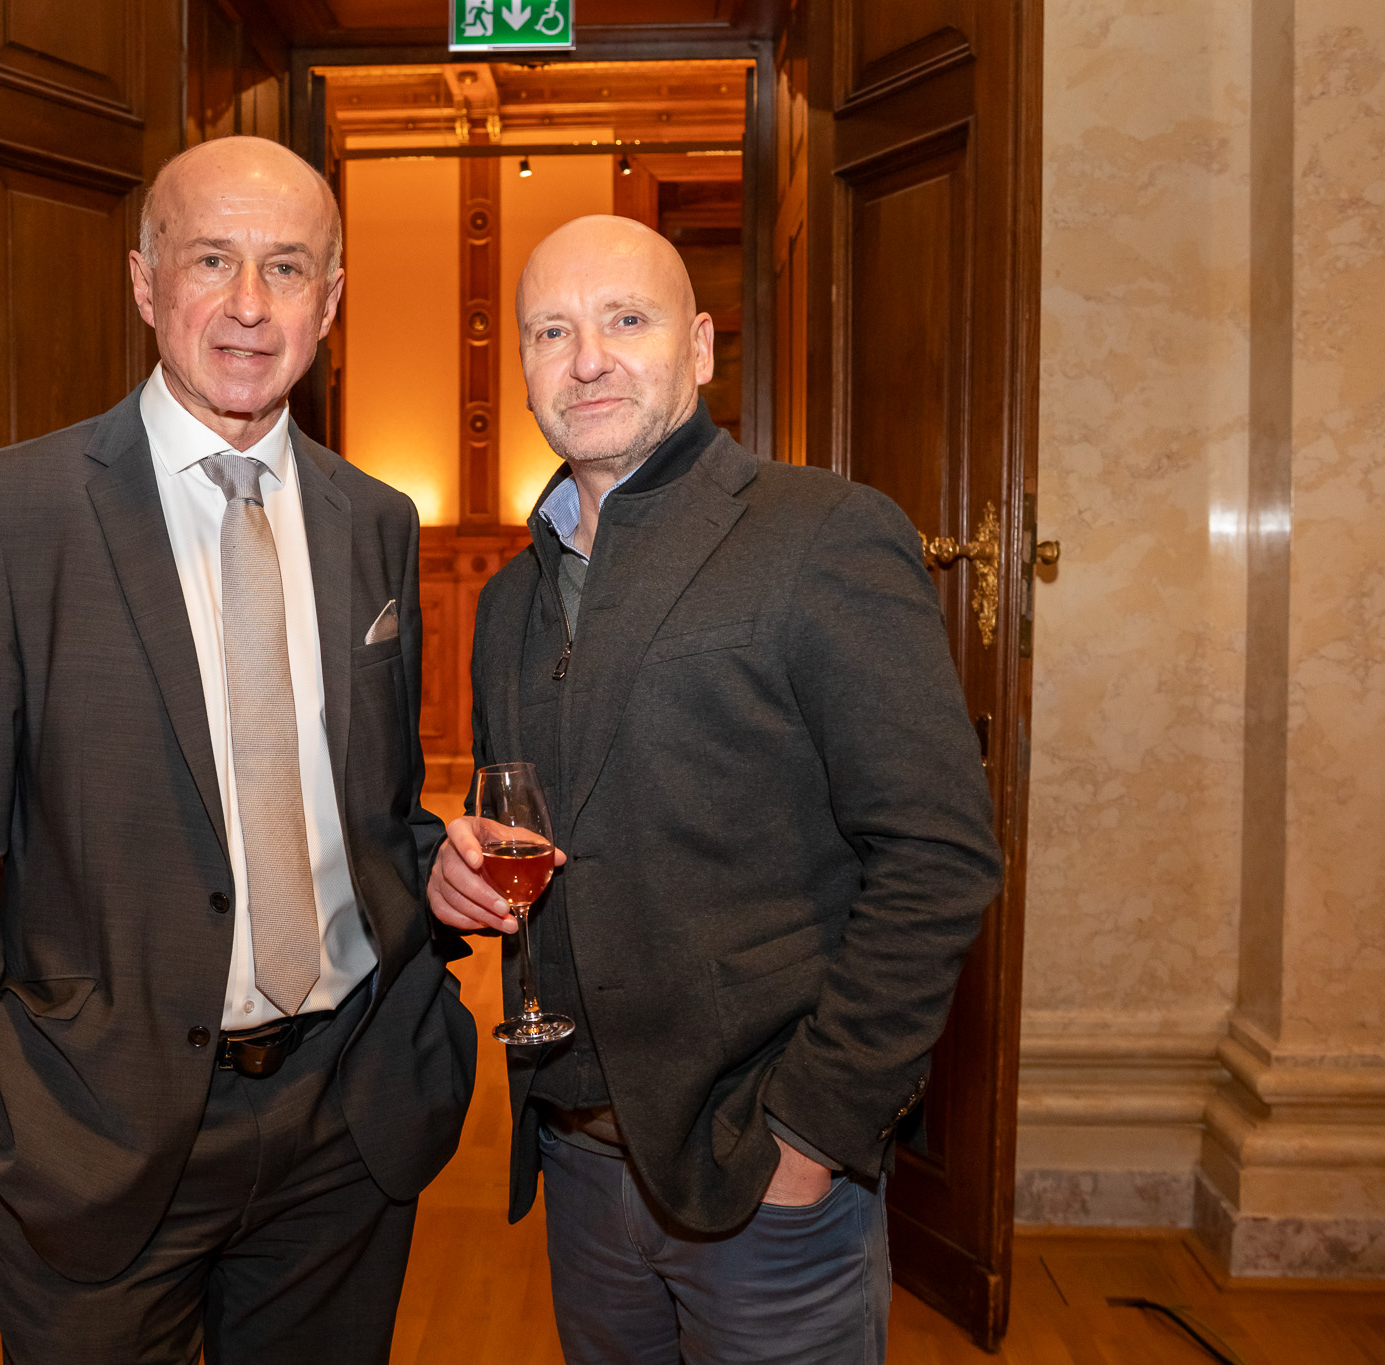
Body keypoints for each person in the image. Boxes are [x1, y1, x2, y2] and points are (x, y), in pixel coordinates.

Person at [0, 134, 476, 1364]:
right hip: (92, 1125)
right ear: (145, 283)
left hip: (346, 1116)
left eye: (286, 267)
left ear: (329, 302)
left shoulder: (375, 519)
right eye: (211, 260)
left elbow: (374, 811)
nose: (249, 305)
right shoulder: (16, 511)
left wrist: (442, 872)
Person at [427, 215, 1003, 1365]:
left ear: (696, 346)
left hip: (762, 1180)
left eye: (623, 320)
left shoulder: (821, 534)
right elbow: (535, 827)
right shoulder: (505, 602)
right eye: (551, 331)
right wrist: (459, 873)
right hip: (576, 1162)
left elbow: (936, 859)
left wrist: (811, 1135)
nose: (586, 358)